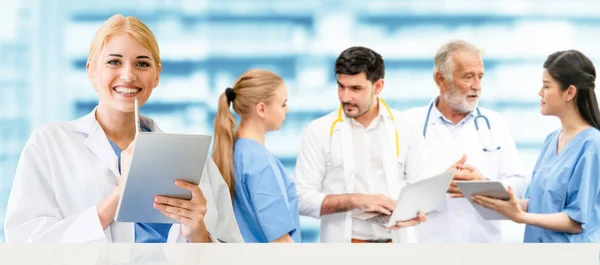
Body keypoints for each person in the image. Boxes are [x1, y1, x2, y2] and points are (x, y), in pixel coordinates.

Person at [3, 14, 243, 243]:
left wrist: (197, 233)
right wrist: (120, 195)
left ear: (156, 75)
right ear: (92, 71)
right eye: (114, 62)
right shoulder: (50, 144)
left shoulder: (192, 158)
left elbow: (232, 251)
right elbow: (26, 244)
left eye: (142, 63)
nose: (128, 75)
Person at [293, 46, 433, 243]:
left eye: (356, 89)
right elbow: (301, 198)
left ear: (378, 87)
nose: (345, 97)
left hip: (396, 244)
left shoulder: (406, 128)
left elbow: (421, 187)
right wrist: (357, 200)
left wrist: (417, 212)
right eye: (341, 86)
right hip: (347, 246)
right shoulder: (318, 131)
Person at [403, 39, 528, 242]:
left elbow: (520, 186)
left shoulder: (495, 123)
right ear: (440, 79)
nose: (477, 86)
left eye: (480, 77)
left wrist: (485, 184)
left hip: (482, 249)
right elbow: (393, 192)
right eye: (468, 77)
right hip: (428, 247)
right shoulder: (409, 124)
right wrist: (437, 185)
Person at [472, 50, 600, 243]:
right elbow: (540, 205)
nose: (540, 92)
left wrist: (520, 217)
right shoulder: (551, 140)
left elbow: (576, 220)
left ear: (570, 92)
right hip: (537, 254)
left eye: (546, 86)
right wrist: (492, 199)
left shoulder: (592, 145)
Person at [211, 69, 301, 243]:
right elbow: (281, 243)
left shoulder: (234, 151)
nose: (287, 110)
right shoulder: (260, 162)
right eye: (283, 104)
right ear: (261, 109)